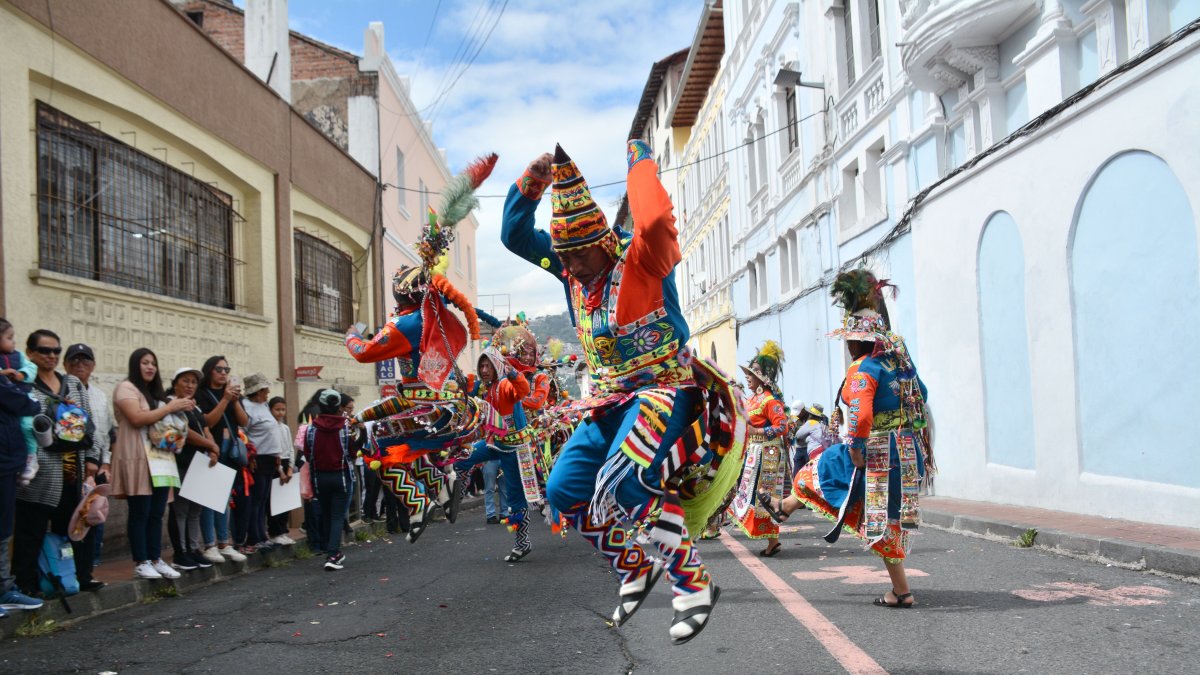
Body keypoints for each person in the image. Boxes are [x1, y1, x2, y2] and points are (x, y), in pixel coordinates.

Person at [500, 142, 746, 645]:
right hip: (610, 401)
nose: (574, 268)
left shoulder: (641, 256)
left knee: (627, 481)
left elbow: (655, 220)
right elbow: (515, 235)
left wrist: (639, 162)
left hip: (664, 390)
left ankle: (694, 584)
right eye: (564, 259)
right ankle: (633, 565)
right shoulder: (570, 267)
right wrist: (532, 180)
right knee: (563, 490)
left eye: (581, 256)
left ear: (604, 242)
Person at [761, 269, 931, 608]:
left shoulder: (864, 369)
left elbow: (862, 415)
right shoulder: (899, 365)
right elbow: (921, 395)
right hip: (908, 450)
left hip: (882, 451)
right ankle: (785, 508)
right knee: (883, 512)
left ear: (856, 341)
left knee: (869, 508)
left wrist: (855, 448)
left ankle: (901, 591)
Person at [13, 329, 104, 594]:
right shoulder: (24, 385)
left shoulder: (73, 384)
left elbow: (90, 424)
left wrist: (92, 459)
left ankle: (80, 577)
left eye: (55, 351)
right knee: (32, 530)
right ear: (30, 353)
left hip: (72, 470)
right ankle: (28, 584)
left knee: (77, 527)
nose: (51, 356)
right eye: (44, 351)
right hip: (40, 471)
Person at [111, 348, 190, 580]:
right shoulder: (126, 388)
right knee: (141, 510)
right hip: (137, 456)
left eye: (153, 363)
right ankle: (141, 560)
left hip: (161, 459)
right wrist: (169, 407)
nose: (150, 367)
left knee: (157, 512)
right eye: (145, 362)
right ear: (135, 365)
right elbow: (136, 418)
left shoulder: (157, 395)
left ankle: (156, 558)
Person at [453, 347, 533, 562]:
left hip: (514, 449)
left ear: (497, 367)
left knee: (515, 499)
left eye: (489, 365)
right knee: (461, 458)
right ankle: (456, 497)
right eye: (482, 366)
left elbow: (523, 390)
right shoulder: (487, 390)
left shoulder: (505, 385)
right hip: (493, 443)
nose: (485, 369)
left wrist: (513, 373)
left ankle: (522, 543)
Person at [728, 341, 789, 557]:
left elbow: (782, 426)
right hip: (755, 453)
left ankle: (773, 541)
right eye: (748, 373)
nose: (748, 377)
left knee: (765, 497)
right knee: (756, 496)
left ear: (763, 378)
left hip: (768, 454)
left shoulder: (770, 401)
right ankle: (772, 541)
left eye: (752, 374)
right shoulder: (753, 400)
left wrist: (756, 431)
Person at [0, 320, 44, 616]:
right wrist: (28, 400)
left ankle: (4, 589)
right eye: (9, 337)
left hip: (9, 458)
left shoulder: (16, 365)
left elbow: (25, 395)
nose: (12, 342)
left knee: (4, 529)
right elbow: (22, 402)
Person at [64, 344, 115, 565]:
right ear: (65, 364)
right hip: (69, 466)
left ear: (93, 366)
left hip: (97, 467)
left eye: (85, 361)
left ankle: (90, 566)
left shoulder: (100, 396)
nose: (80, 366)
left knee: (94, 517)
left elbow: (104, 433)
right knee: (70, 518)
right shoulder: (61, 389)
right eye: (74, 361)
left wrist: (106, 463)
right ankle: (70, 568)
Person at [195, 356, 248, 563]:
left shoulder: (233, 395)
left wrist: (233, 401)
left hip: (231, 450)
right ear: (209, 371)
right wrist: (224, 399)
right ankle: (210, 544)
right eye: (219, 369)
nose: (224, 373)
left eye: (227, 369)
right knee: (209, 499)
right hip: (211, 449)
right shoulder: (202, 394)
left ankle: (224, 543)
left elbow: (244, 422)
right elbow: (207, 420)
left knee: (224, 499)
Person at [168, 367, 219, 570]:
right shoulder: (172, 405)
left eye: (193, 382)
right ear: (175, 384)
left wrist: (213, 450)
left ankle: (194, 549)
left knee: (195, 510)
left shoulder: (195, 407)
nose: (190, 386)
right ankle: (182, 552)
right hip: (180, 462)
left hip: (199, 463)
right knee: (180, 510)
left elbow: (205, 428)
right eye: (185, 381)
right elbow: (184, 432)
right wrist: (210, 445)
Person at [300, 389, 354, 571]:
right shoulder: (345, 427)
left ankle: (327, 549)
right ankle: (333, 554)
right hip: (341, 477)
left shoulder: (310, 429)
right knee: (338, 515)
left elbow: (308, 455)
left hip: (319, 478)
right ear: (338, 406)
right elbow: (352, 452)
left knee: (325, 514)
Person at [241, 373, 284, 553]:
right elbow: (243, 433)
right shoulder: (246, 406)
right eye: (265, 389)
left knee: (263, 499)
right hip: (257, 459)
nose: (268, 392)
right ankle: (254, 537)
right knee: (256, 500)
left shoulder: (264, 405)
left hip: (269, 458)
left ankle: (262, 535)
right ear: (258, 391)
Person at [0, 319, 40, 486]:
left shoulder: (18, 356)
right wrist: (3, 373)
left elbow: (32, 368)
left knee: (26, 426)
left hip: (23, 397)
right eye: (9, 337)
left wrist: (22, 374)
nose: (14, 341)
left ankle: (31, 458)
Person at [267, 396, 296, 545]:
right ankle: (275, 532)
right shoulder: (270, 427)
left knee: (285, 500)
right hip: (275, 465)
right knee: (274, 501)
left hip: (286, 463)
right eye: (277, 409)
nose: (280, 413)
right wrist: (281, 471)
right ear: (270, 410)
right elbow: (274, 450)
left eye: (282, 409)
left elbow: (290, 448)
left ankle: (283, 530)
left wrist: (290, 467)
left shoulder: (285, 428)